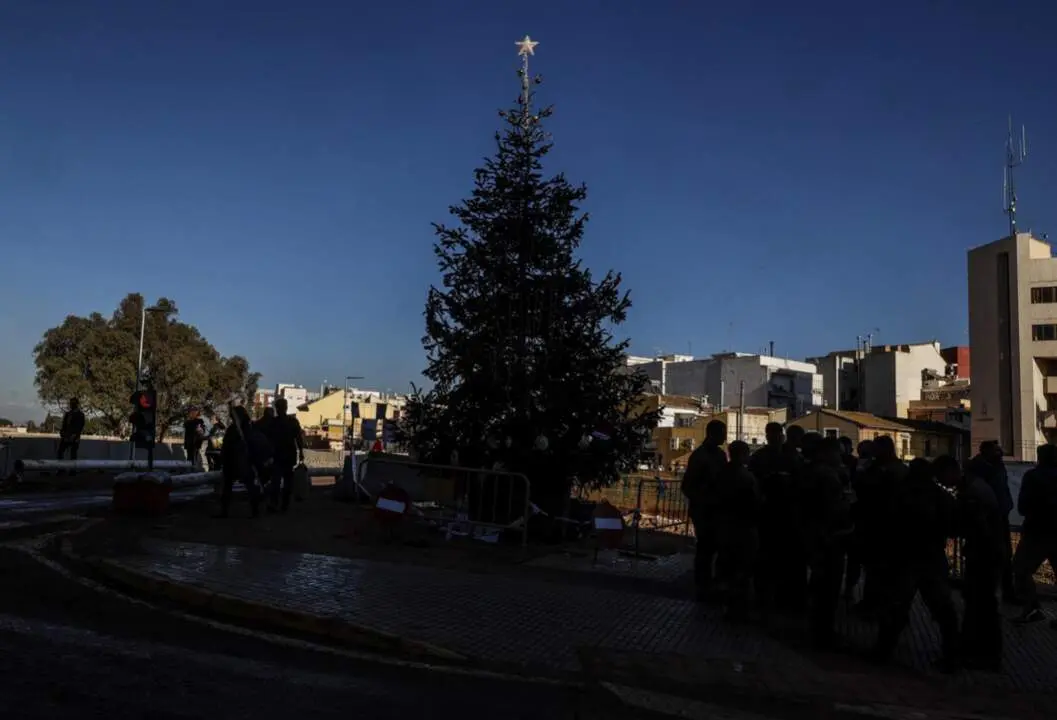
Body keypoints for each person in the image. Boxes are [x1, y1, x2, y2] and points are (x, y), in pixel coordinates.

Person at [871, 458, 959, 671]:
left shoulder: (900, 494)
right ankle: (952, 656)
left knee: (896, 607)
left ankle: (883, 651)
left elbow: (886, 523)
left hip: (904, 558)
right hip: (931, 557)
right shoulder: (940, 496)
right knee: (943, 610)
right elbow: (953, 527)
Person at [936, 454, 1004, 672]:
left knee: (981, 604)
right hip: (985, 553)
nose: (942, 482)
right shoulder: (974, 488)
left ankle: (983, 654)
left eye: (941, 476)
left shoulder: (972, 493)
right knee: (979, 603)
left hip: (984, 555)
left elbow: (977, 526)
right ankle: (975, 651)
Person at [800, 435, 853, 649]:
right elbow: (833, 508)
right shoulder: (826, 475)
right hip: (829, 538)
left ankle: (819, 628)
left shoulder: (813, 472)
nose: (839, 456)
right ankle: (822, 632)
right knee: (828, 588)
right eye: (836, 452)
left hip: (820, 536)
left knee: (822, 586)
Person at [852, 434, 906, 616]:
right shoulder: (899, 469)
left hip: (880, 526)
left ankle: (876, 605)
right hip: (891, 527)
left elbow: (864, 489)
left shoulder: (881, 470)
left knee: (877, 570)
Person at [749, 422, 795, 616]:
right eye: (773, 435)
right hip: (770, 512)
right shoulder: (762, 457)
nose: (776, 438)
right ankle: (767, 594)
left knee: (776, 555)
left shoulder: (788, 456)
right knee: (768, 555)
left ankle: (772, 593)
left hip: (781, 512)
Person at [681, 419, 728, 600]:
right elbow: (688, 485)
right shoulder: (701, 456)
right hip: (705, 511)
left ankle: (710, 583)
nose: (725, 437)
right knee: (706, 549)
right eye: (722, 433)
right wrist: (703, 500)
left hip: (715, 509)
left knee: (712, 548)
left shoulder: (718, 454)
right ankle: (703, 585)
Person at [1011, 443, 1057, 625]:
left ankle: (1032, 607)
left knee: (1021, 570)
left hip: (1036, 532)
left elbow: (1023, 507)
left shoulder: (1032, 477)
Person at [715, 440, 761, 621]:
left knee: (727, 566)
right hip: (743, 527)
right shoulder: (745, 477)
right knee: (742, 568)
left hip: (725, 525)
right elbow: (754, 502)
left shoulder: (722, 473)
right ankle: (739, 607)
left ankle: (728, 604)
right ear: (742, 454)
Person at [967, 441, 1016, 603]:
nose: (999, 452)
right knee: (994, 554)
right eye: (995, 450)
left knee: (1003, 554)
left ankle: (1005, 590)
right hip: (988, 517)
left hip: (999, 514)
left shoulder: (993, 466)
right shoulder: (982, 468)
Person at [218, 405, 269, 518]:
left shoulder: (245, 429)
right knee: (233, 486)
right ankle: (227, 511)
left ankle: (254, 510)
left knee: (247, 487)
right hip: (237, 462)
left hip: (241, 462)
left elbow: (229, 446)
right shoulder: (246, 428)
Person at [266, 398, 305, 513]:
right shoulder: (292, 421)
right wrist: (301, 452)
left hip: (278, 455)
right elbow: (298, 438)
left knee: (276, 481)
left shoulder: (273, 422)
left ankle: (275, 503)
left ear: (277, 409)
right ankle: (284, 505)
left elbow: (268, 439)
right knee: (288, 481)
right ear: (286, 408)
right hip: (289, 454)